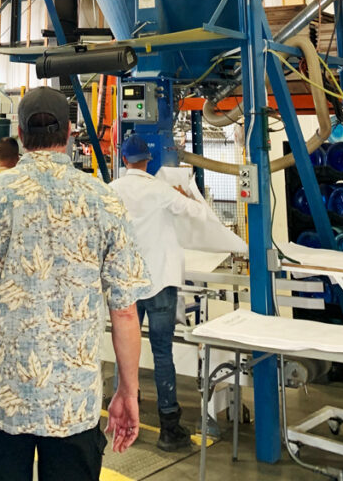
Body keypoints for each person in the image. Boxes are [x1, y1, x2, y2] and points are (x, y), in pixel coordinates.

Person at [0, 86, 151, 481]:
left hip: (0, 405)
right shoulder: (103, 200)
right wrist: (128, 392)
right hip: (73, 406)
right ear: (70, 133)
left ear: (18, 132)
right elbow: (124, 312)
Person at [109, 135, 211, 451]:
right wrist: (187, 195)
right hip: (161, 282)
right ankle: (169, 428)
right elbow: (201, 215)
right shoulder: (160, 190)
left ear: (123, 159)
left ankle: (123, 416)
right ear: (148, 159)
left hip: (127, 283)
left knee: (124, 348)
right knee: (162, 350)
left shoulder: (111, 191)